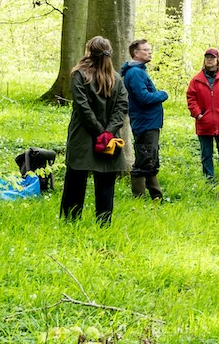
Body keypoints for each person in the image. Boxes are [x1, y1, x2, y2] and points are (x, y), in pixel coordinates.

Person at [63, 36, 130, 224]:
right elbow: (122, 109)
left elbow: (83, 108)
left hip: (82, 136)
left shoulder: (79, 75)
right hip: (108, 138)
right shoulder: (117, 79)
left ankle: (71, 222)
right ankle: (103, 224)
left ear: (89, 52)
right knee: (105, 183)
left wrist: (101, 133)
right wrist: (107, 133)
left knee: (75, 181)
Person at [120, 38, 169, 200]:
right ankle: (139, 197)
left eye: (150, 49)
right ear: (136, 53)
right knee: (145, 158)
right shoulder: (135, 73)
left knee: (149, 158)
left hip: (149, 122)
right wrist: (162, 94)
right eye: (146, 50)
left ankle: (156, 196)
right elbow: (144, 97)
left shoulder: (139, 71)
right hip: (144, 123)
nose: (150, 52)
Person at [186, 48, 219, 181]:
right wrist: (198, 114)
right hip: (204, 123)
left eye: (212, 58)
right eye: (207, 57)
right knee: (206, 155)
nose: (209, 60)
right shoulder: (196, 80)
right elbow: (191, 98)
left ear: (217, 60)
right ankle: (209, 179)